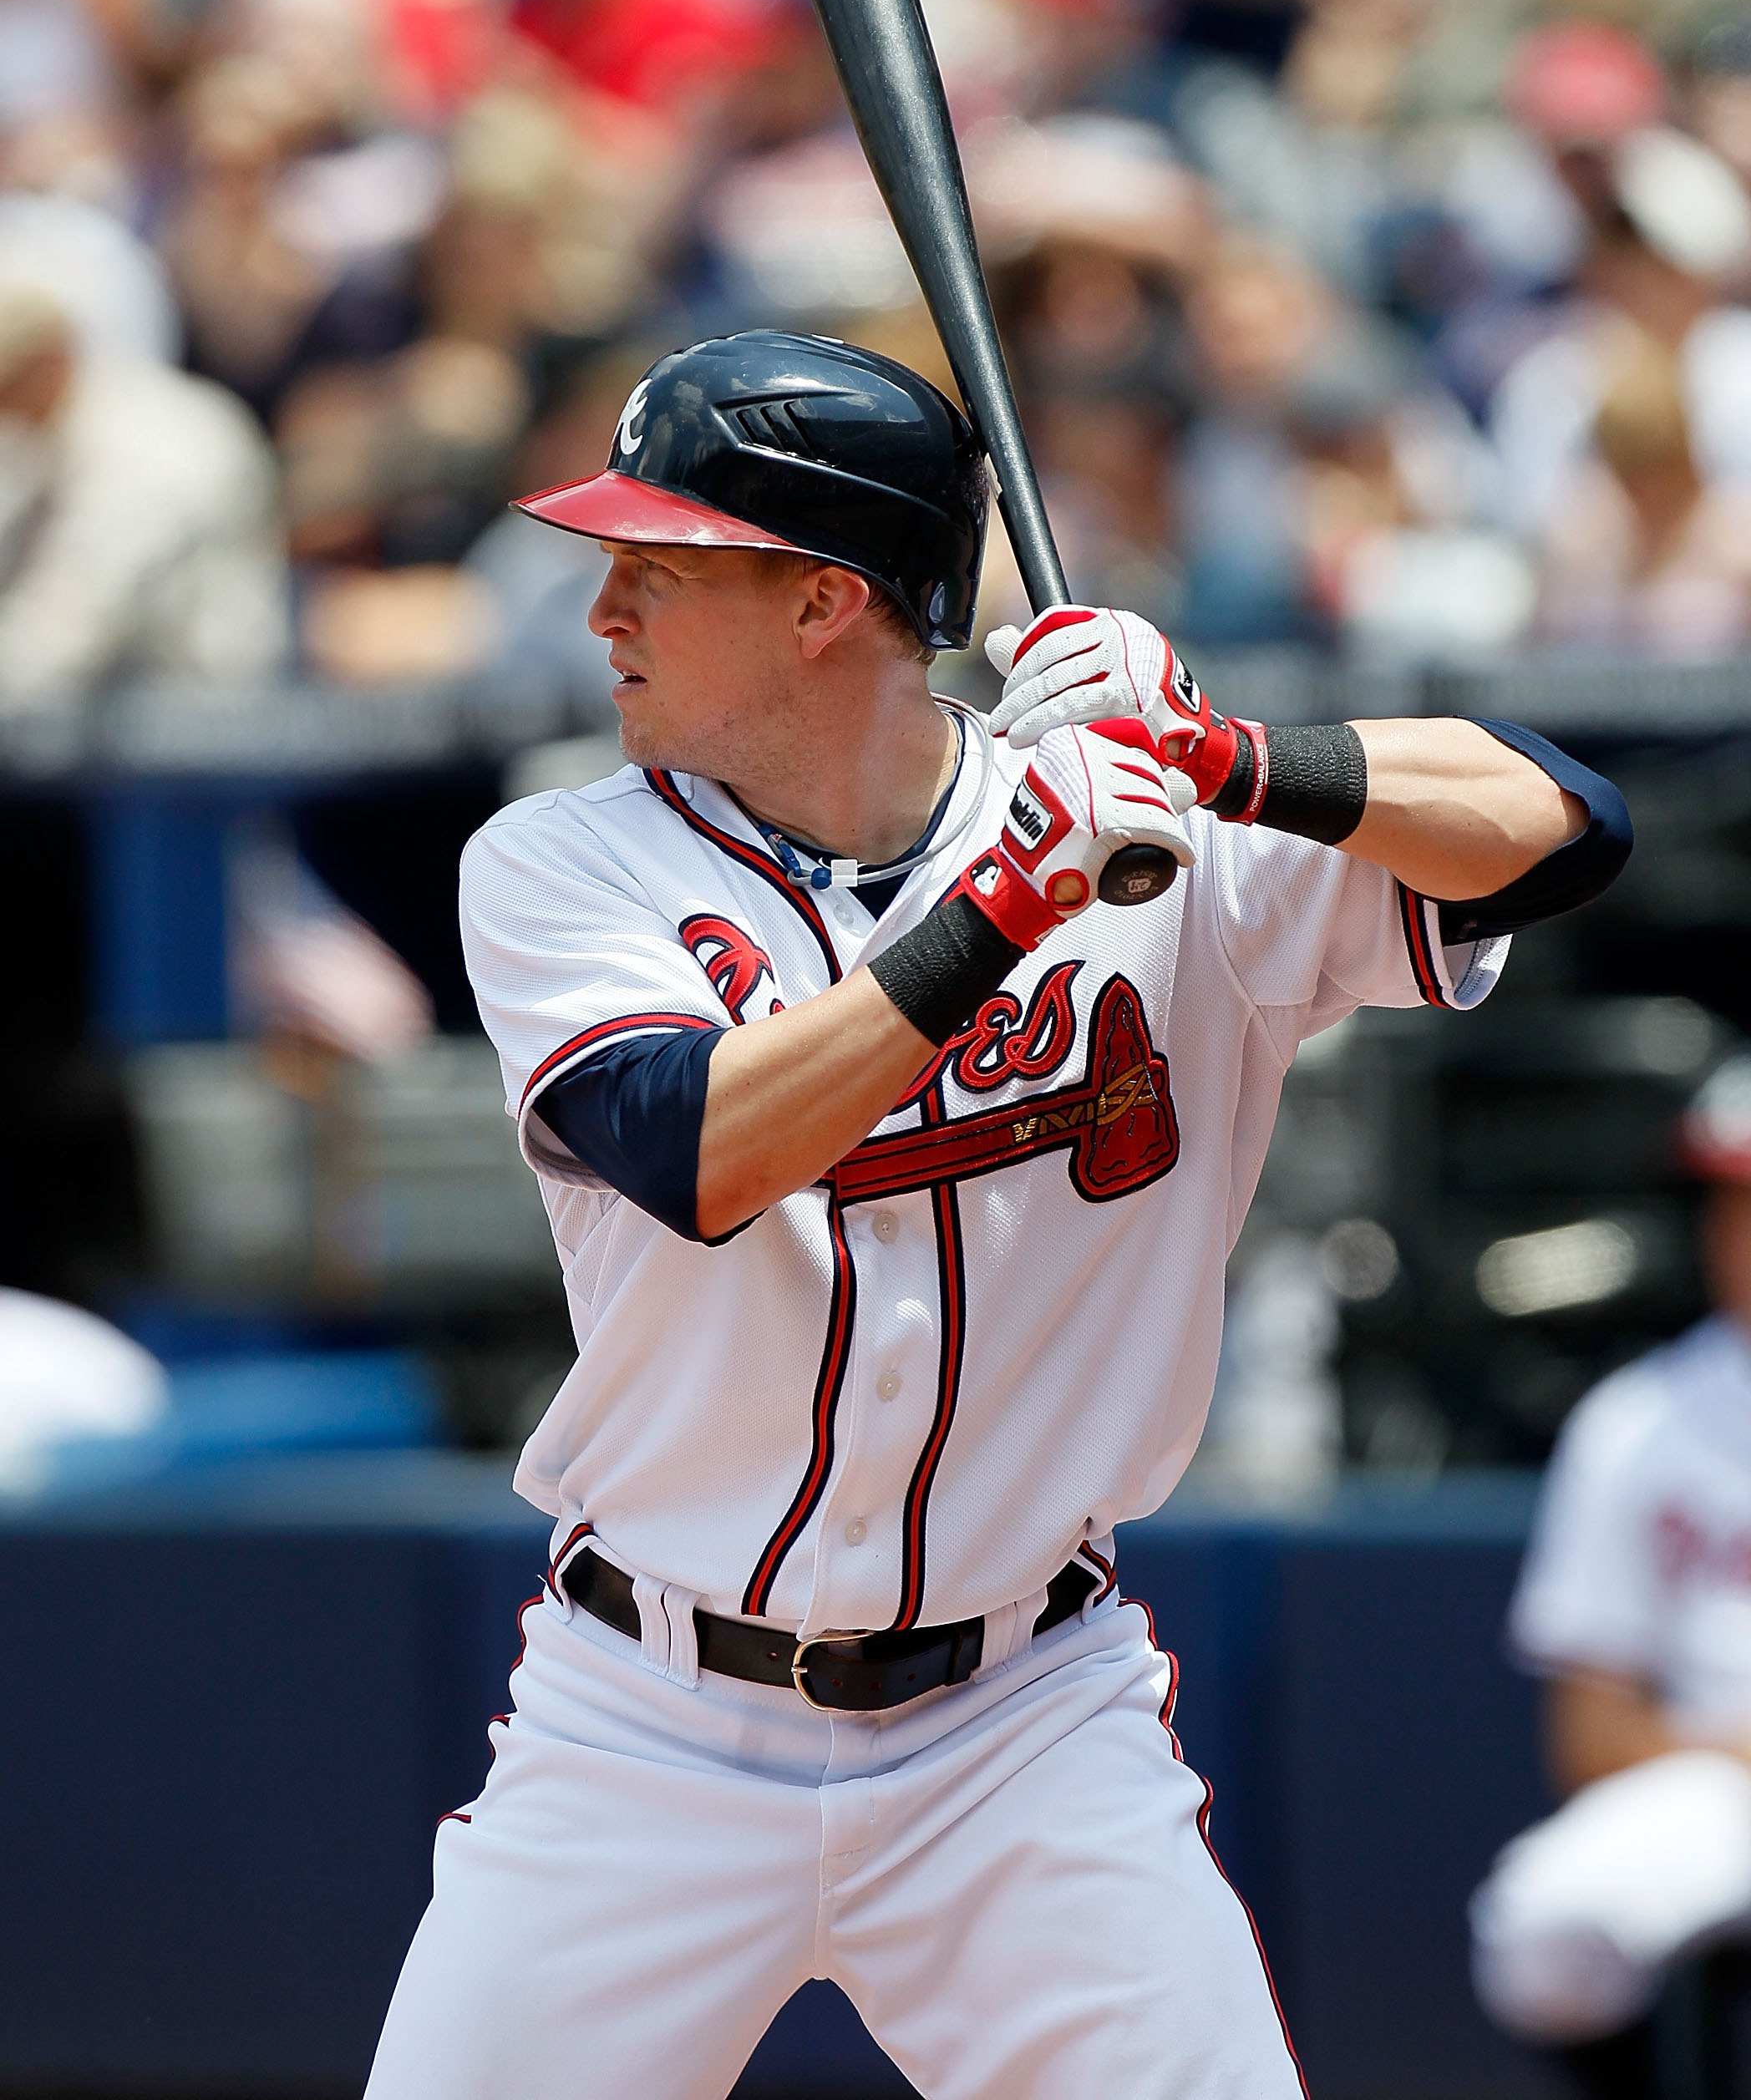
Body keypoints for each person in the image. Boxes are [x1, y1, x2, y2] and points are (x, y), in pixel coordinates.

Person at [366, 331, 1630, 2099]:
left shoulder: (1154, 825)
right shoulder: (564, 858)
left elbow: (1565, 828)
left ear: (822, 601)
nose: (605, 611)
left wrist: (1233, 756)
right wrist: (1005, 905)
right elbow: (692, 1149)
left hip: (1021, 1727)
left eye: (659, 563)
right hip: (646, 1723)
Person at [1470, 1055, 1751, 2097]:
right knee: (1548, 1924)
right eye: (1730, 1205)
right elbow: (1588, 1739)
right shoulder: (1638, 1423)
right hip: (1719, 1781)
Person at [0, 282, 287, 710]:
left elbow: (67, 628)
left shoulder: (147, 449)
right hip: (118, 716)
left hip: (200, 727)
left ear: (47, 363)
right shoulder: (61, 428)